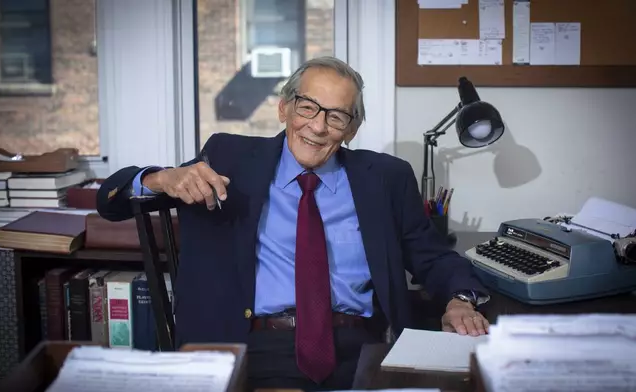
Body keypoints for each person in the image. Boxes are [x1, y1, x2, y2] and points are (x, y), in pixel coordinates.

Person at [97, 56, 491, 391]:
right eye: (307, 107)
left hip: (363, 347)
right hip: (253, 344)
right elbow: (110, 202)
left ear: (352, 129)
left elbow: (431, 253)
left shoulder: (385, 177)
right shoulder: (228, 156)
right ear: (284, 108)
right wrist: (159, 178)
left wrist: (460, 299)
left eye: (336, 116)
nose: (318, 127)